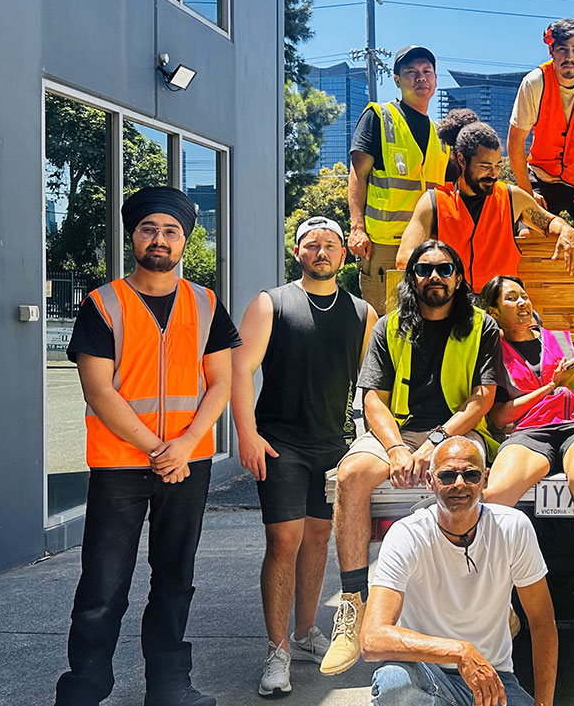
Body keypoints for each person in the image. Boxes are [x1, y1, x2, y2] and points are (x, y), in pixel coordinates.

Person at [55, 187, 241, 706]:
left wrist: (184, 447)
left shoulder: (206, 304)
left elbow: (220, 384)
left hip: (187, 464)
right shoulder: (103, 304)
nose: (159, 239)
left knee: (176, 580)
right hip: (120, 466)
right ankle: (84, 690)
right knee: (102, 589)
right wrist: (161, 447)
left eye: (170, 231)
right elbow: (99, 390)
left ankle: (169, 686)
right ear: (132, 236)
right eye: (149, 229)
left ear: (185, 239)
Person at [321, 240, 507, 676]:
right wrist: (398, 448)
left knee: (465, 477)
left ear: (459, 277)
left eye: (444, 269)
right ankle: (353, 606)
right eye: (424, 270)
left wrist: (436, 440)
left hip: (456, 430)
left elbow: (482, 399)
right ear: (412, 279)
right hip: (398, 432)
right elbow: (373, 400)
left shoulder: (482, 327)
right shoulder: (389, 327)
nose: (434, 277)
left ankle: (499, 602)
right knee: (350, 474)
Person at [231, 216, 376, 696]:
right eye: (311, 244)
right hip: (281, 444)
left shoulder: (362, 313)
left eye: (330, 244)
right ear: (298, 253)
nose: (321, 251)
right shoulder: (271, 304)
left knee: (319, 538)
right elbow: (239, 369)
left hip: (334, 445)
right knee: (285, 543)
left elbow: (374, 387)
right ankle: (277, 653)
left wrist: (370, 442)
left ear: (343, 254)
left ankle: (306, 631)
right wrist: (246, 435)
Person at [360, 437, 557, 706]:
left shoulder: (513, 528)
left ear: (485, 480)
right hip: (429, 673)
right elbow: (372, 638)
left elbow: (542, 623)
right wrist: (458, 651)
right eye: (448, 475)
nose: (460, 484)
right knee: (395, 684)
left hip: (492, 677)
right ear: (430, 481)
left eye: (471, 475)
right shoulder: (407, 534)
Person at [478, 275, 574, 635]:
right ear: (494, 311)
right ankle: (497, 591)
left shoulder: (559, 339)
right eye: (512, 298)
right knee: (494, 497)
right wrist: (552, 385)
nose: (523, 302)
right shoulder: (492, 351)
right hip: (530, 431)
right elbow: (501, 415)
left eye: (524, 295)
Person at [396, 121, 574, 291]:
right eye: (485, 166)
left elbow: (549, 223)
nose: (494, 174)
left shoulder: (511, 197)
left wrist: (567, 231)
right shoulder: (434, 201)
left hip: (501, 306)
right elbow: (404, 259)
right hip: (453, 306)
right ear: (461, 160)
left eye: (498, 165)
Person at [347, 45, 452, 314]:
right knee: (384, 324)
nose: (421, 78)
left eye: (427, 71)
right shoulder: (379, 117)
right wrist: (357, 227)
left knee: (424, 323)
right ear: (396, 79)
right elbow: (358, 174)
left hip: (428, 247)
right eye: (411, 72)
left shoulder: (441, 136)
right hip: (384, 245)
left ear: (436, 79)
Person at [507, 18, 574, 237]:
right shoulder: (535, 82)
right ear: (551, 51)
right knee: (530, 237)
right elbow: (515, 141)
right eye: (562, 50)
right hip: (542, 175)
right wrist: (527, 195)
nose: (569, 57)